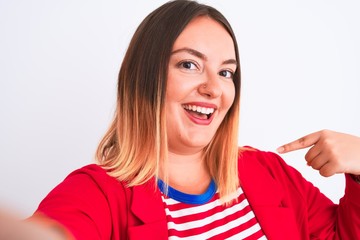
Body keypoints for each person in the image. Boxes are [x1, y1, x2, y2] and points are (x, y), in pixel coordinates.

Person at [1, 0, 360, 239]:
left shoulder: (270, 172)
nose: (213, 88)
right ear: (146, 77)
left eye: (226, 72)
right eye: (189, 64)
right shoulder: (97, 193)